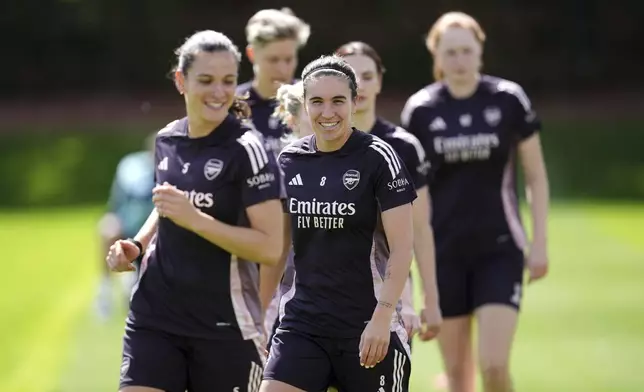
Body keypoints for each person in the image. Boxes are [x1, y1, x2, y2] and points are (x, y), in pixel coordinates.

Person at [106, 30, 284, 392]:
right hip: (155, 315)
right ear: (180, 81)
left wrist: (196, 220)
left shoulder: (247, 150)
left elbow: (268, 247)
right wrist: (136, 245)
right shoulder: (167, 139)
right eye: (206, 80)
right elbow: (167, 205)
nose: (219, 92)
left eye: (228, 81)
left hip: (224, 325)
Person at [400, 12, 550, 392]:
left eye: (467, 50)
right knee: (457, 376)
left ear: (480, 52)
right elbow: (413, 192)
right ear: (436, 58)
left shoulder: (508, 99)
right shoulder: (420, 110)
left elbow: (535, 174)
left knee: (495, 366)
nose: (459, 60)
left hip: (499, 249)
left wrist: (540, 243)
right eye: (450, 52)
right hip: (444, 253)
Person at [260, 55, 416, 392]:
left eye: (337, 101)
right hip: (302, 323)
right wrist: (259, 318)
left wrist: (383, 317)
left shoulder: (380, 158)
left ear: (355, 101)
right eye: (316, 101)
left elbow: (403, 248)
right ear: (304, 103)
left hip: (366, 325)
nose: (327, 112)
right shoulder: (289, 160)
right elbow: (277, 250)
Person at [335, 40, 442, 343]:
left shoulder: (404, 147)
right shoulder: (316, 146)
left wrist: (430, 301)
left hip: (391, 294)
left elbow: (420, 229)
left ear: (380, 80)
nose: (360, 86)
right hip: (324, 294)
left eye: (368, 76)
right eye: (351, 77)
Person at [95, 133, 156, 321]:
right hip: (128, 225)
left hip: (153, 231)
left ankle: (134, 283)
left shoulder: (174, 169)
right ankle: (105, 290)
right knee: (107, 228)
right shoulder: (131, 167)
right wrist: (113, 217)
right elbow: (117, 201)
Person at [237, 7, 311, 155]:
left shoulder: (312, 102)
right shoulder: (233, 104)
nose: (283, 69)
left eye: (289, 59)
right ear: (252, 54)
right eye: (273, 60)